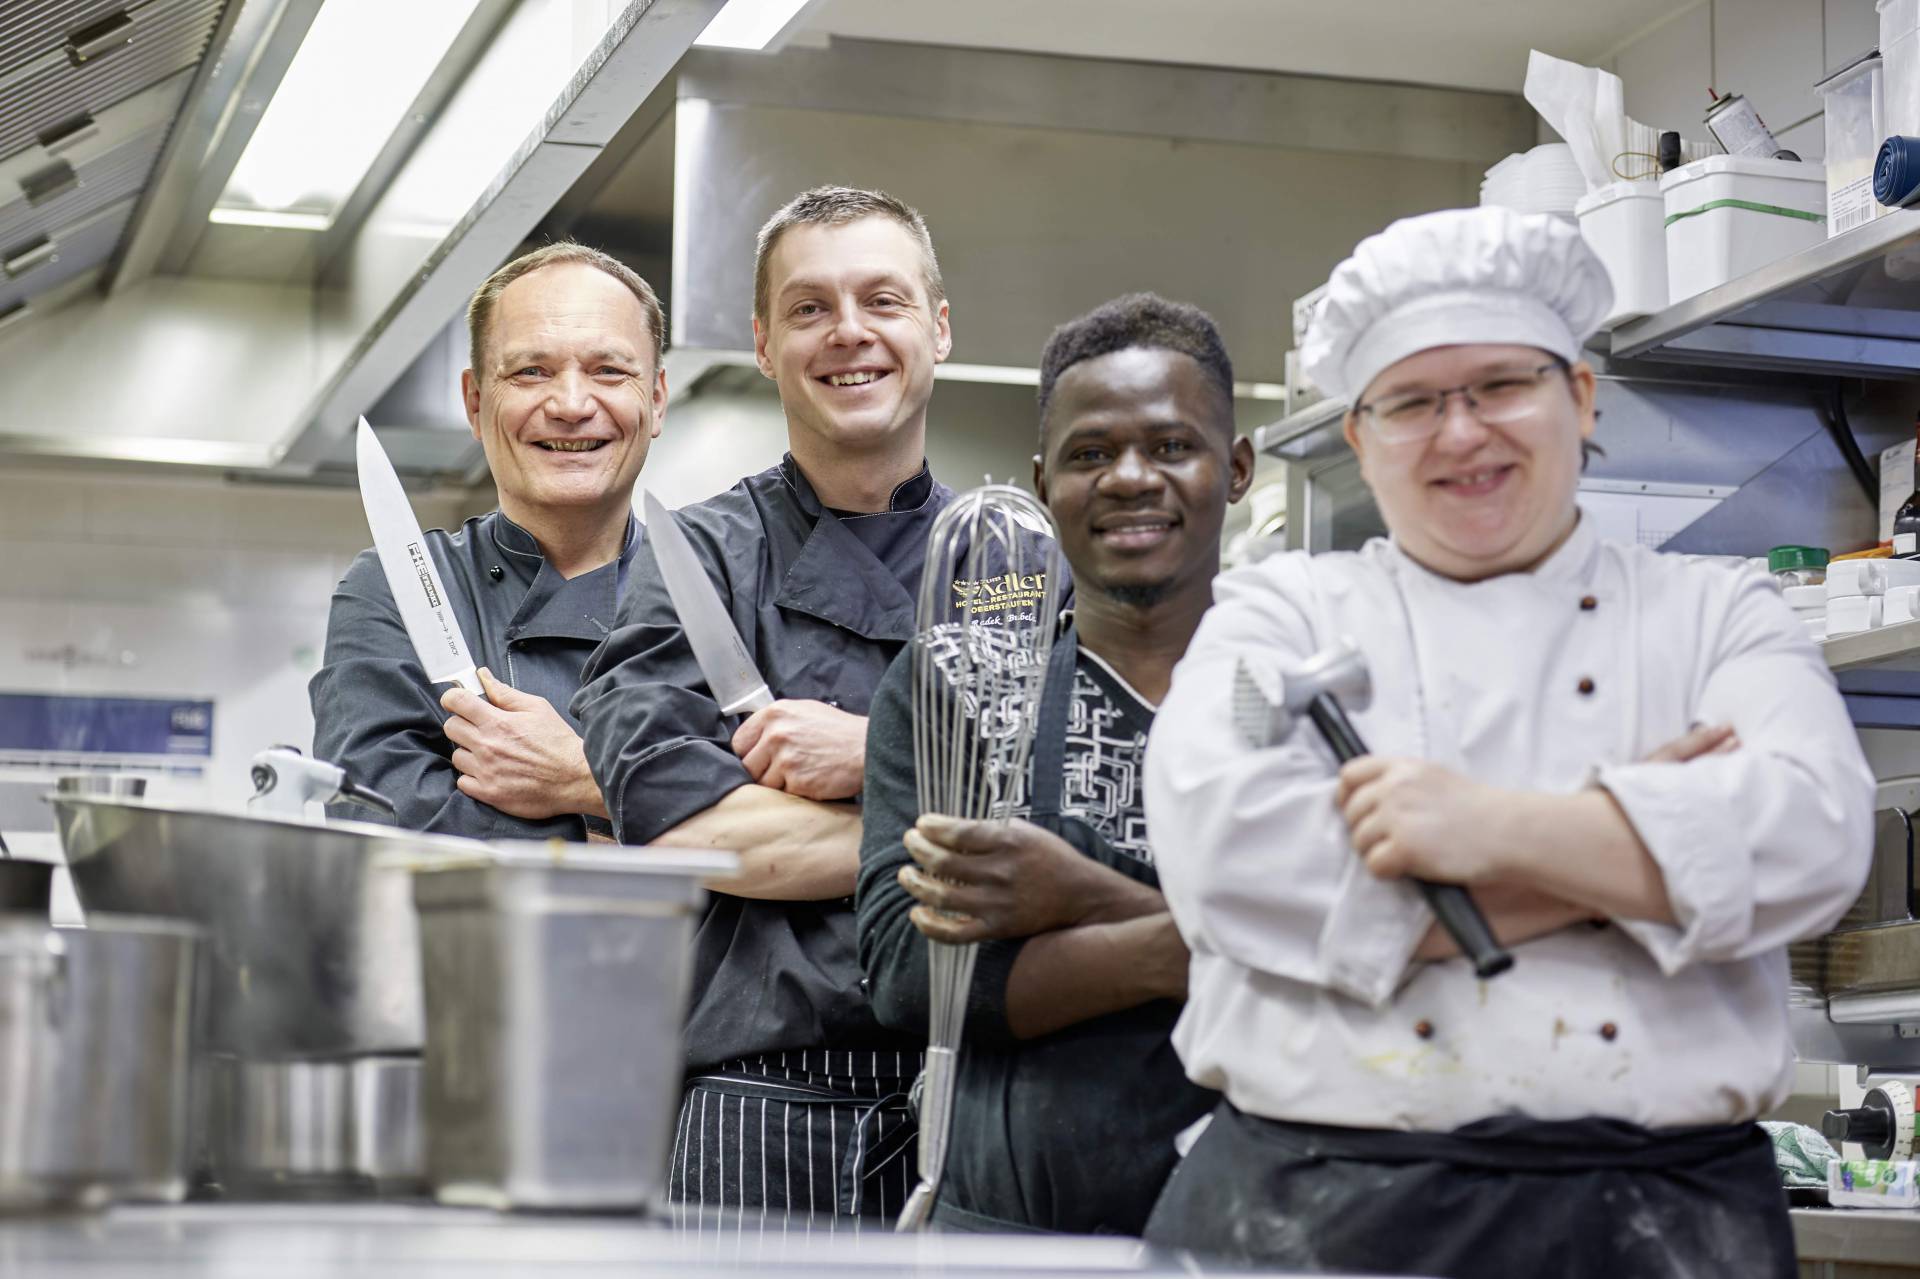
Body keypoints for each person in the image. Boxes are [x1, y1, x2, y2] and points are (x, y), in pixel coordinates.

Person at [1140, 207, 1875, 1278]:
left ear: (1579, 395)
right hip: (1315, 1222)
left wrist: (1485, 826)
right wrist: (1636, 857)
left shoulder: (1720, 614)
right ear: (1359, 435)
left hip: (1668, 1224)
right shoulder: (1275, 619)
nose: (1461, 432)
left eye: (1500, 385)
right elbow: (1233, 861)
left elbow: (1813, 836)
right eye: (1412, 401)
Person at [573, 187, 960, 1223]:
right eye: (809, 307)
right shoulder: (695, 562)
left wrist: (877, 751)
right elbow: (693, 835)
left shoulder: (1017, 563)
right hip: (760, 1111)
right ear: (763, 341)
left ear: (939, 326)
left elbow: (1086, 829)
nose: (849, 332)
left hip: (981, 1104)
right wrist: (956, 809)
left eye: (882, 298)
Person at [856, 293, 1253, 1234]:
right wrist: (1208, 946)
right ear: (1043, 481)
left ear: (1235, 468)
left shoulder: (1304, 689)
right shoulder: (954, 680)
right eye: (1089, 453)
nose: (1129, 477)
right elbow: (908, 972)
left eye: (1170, 446)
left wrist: (1072, 892)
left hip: (1261, 1228)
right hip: (1007, 1237)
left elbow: (1370, 949)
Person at [311, 242, 665, 839]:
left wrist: (578, 777)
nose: (573, 405)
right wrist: (631, 825)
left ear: (655, 400)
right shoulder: (397, 588)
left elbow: (770, 819)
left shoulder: (715, 588)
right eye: (531, 371)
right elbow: (376, 821)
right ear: (476, 403)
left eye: (609, 370)